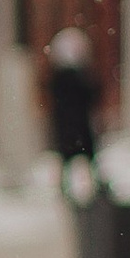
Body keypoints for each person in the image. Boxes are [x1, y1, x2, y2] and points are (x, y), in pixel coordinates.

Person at [45, 29, 101, 173]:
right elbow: (92, 96)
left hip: (68, 127)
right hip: (79, 126)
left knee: (68, 156)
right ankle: (93, 181)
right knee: (86, 154)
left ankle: (67, 183)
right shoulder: (78, 80)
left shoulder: (58, 81)